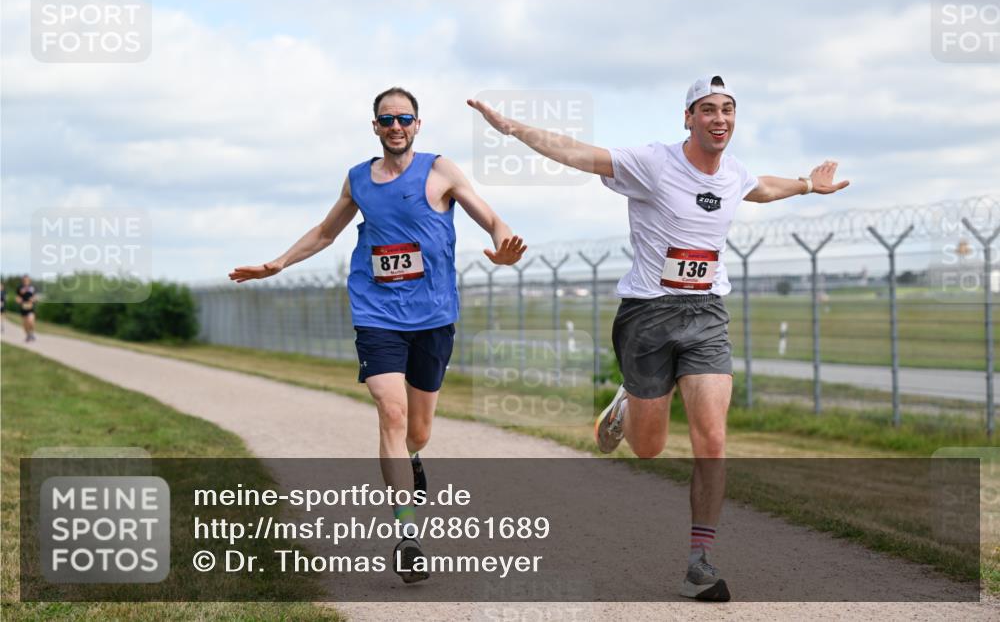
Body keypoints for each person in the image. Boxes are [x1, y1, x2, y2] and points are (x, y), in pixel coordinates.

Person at [468, 75, 848, 602]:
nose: (719, 118)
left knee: (712, 439)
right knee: (648, 449)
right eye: (708, 109)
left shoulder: (733, 173)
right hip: (648, 315)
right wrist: (513, 128)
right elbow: (580, 153)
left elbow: (761, 188)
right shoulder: (653, 163)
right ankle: (626, 403)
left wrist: (807, 184)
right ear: (688, 118)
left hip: (707, 314)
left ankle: (699, 563)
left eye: (728, 109)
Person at [230, 87, 526, 583]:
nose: (395, 127)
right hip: (377, 313)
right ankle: (408, 535)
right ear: (375, 127)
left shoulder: (439, 171)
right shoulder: (358, 180)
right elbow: (326, 233)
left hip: (432, 316)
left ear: (417, 124)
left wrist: (503, 247)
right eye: (386, 120)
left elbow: (492, 219)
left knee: (418, 431)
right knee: (391, 411)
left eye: (404, 119)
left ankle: (413, 456)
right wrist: (278, 263)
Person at [16, 275, 38, 342]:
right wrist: (19, 300)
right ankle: (28, 335)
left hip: (31, 307)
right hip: (23, 308)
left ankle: (32, 333)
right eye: (24, 280)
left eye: (27, 280)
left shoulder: (32, 287)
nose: (26, 281)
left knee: (31, 322)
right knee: (25, 324)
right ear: (23, 280)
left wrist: (33, 299)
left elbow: (35, 297)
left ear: (29, 280)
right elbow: (17, 297)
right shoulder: (19, 288)